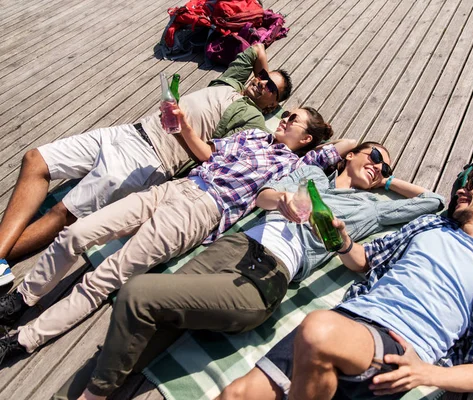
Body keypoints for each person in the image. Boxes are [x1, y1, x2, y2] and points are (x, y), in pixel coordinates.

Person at [54, 141, 444, 400]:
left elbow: (433, 202)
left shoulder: (370, 208)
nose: (377, 166)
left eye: (384, 166)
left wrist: (388, 181)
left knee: (137, 294)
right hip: (235, 247)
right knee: (153, 324)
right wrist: (284, 201)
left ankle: (94, 394)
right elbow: (262, 196)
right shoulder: (308, 176)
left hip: (267, 276)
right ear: (351, 155)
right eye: (373, 156)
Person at [0, 107, 353, 364]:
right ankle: (21, 300)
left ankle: (23, 340)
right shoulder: (253, 136)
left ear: (305, 139)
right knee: (75, 233)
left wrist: (290, 197)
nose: (286, 119)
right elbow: (207, 153)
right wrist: (183, 125)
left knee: (105, 276)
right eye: (287, 114)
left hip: (201, 211)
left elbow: (335, 151)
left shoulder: (294, 166)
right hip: (175, 188)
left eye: (295, 121)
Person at [218, 158, 473, 400]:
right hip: (351, 320)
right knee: (235, 394)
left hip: (395, 348)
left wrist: (427, 373)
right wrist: (341, 242)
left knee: (318, 331)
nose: (463, 189)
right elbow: (365, 261)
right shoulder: (428, 226)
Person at [0, 43, 291, 285]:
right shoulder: (231, 81)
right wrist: (263, 73)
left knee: (63, 212)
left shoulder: (253, 122)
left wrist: (184, 127)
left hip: (152, 158)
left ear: (272, 107)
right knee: (35, 159)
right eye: (263, 77)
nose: (262, 82)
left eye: (270, 88)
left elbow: (216, 158)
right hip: (128, 131)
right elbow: (256, 49)